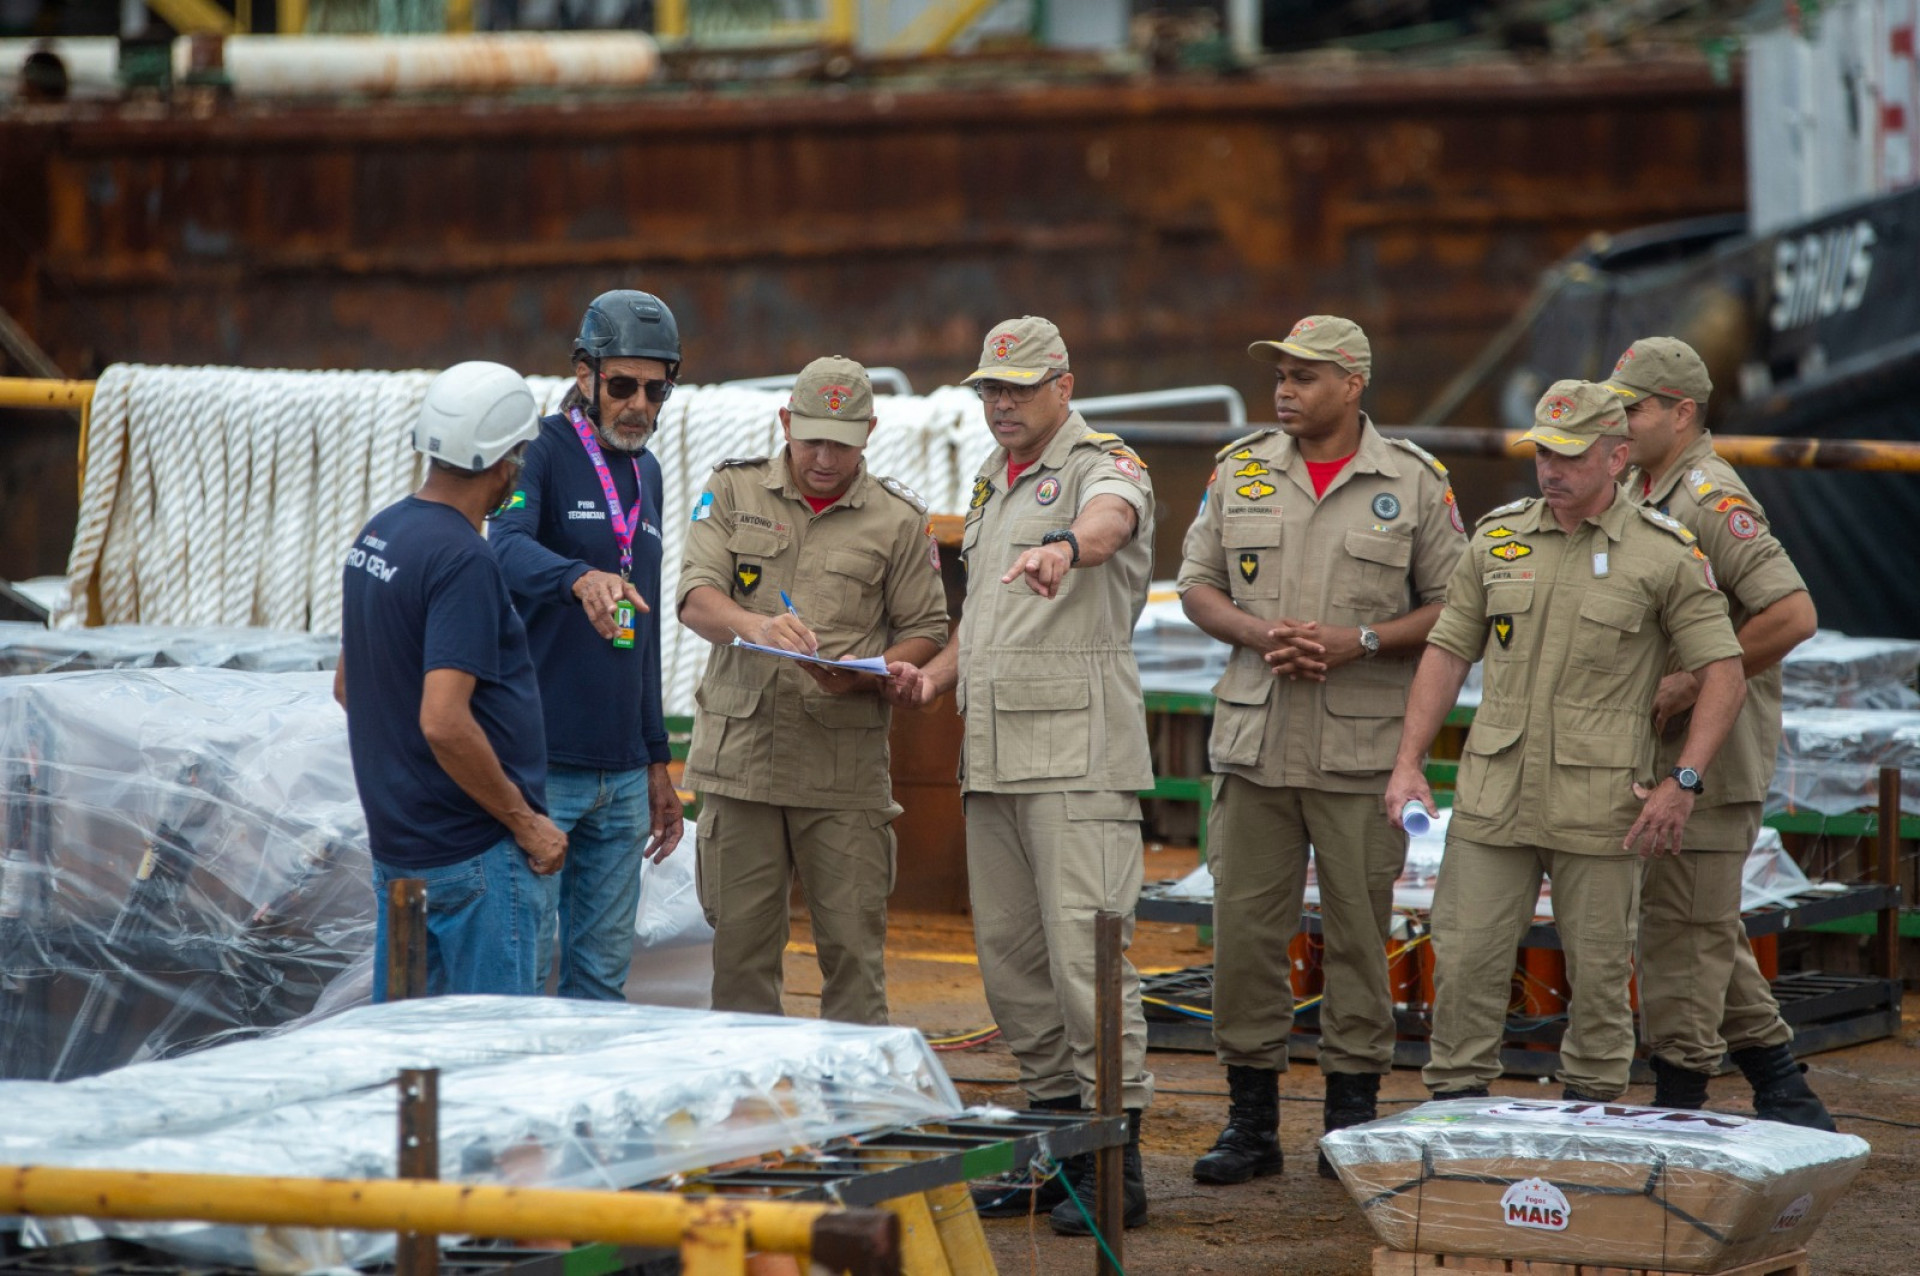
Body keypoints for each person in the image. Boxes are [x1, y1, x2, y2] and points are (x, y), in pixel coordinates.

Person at [1383, 380, 1748, 1103]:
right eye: (1544, 452)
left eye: (1572, 455)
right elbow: (1448, 652)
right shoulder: (1499, 536)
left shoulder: (1664, 552)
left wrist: (1683, 782)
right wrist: (1408, 763)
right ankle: (1458, 1130)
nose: (1552, 469)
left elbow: (1725, 675)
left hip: (1602, 805)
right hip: (1496, 797)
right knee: (1466, 960)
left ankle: (1590, 1135)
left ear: (1617, 457)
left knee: (1601, 978)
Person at [1175, 316, 1466, 1183]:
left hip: (1358, 751)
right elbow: (1195, 584)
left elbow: (1457, 608)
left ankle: (1349, 1124)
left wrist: (1361, 641)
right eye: (1280, 376)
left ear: (1353, 383)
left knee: (1356, 937)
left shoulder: (1413, 484)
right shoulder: (1242, 469)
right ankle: (1251, 1123)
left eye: (1305, 376)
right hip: (1256, 744)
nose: (1284, 390)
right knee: (1245, 937)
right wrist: (1263, 632)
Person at [895, 316, 1157, 1234]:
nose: (1000, 403)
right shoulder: (993, 480)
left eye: (1017, 387)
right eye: (988, 390)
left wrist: (1067, 548)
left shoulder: (1101, 463)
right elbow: (993, 619)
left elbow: (1110, 519)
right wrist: (938, 673)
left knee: (1090, 965)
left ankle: (1116, 1166)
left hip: (1077, 762)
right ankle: (1056, 1153)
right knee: (1013, 970)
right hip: (996, 757)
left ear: (1064, 384)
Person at [675, 356, 949, 1025]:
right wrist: (754, 624)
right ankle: (746, 1113)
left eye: (842, 443)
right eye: (811, 439)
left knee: (854, 955)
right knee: (740, 958)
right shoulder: (733, 491)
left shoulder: (897, 519)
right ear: (785, 422)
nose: (824, 457)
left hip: (842, 775)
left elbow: (927, 628)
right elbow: (694, 598)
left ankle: (852, 1117)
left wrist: (879, 668)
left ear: (870, 432)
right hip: (742, 767)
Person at [1607, 337, 1834, 1129]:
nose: (1619, 418)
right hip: (1665, 748)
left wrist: (1696, 677)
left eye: (1632, 406)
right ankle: (1783, 1086)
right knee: (1697, 924)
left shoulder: (1706, 496)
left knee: (1680, 940)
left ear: (1682, 411)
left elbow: (1792, 613)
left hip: (1710, 759)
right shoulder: (1646, 485)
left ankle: (1680, 1110)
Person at [336, 361, 566, 999]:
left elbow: (348, 688)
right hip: (474, 866)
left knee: (414, 1071)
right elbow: (443, 719)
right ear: (506, 464)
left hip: (401, 857)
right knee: (487, 1071)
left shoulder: (379, 534)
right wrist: (526, 822)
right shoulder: (464, 558)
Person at [492, 289, 685, 1002]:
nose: (639, 404)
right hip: (545, 768)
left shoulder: (649, 473)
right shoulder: (537, 451)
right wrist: (578, 579)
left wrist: (657, 760)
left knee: (601, 983)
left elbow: (647, 627)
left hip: (625, 777)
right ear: (584, 374)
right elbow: (503, 549)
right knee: (521, 972)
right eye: (622, 385)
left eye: (655, 388)